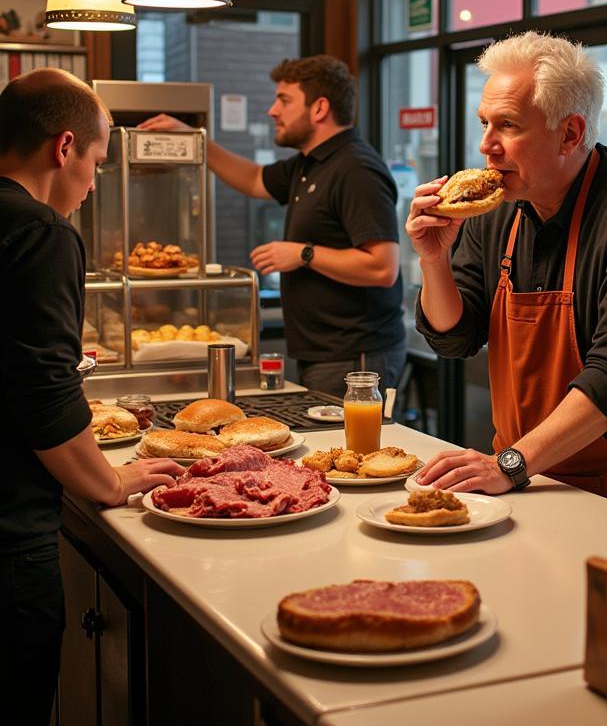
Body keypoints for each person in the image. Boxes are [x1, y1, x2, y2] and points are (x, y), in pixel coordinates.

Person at [407, 33, 607, 524]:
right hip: (527, 485)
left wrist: (510, 464)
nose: (487, 145)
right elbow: (455, 337)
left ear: (570, 134)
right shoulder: (497, 211)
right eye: (484, 123)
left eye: (507, 126)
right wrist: (433, 261)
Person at [0, 69, 183, 724]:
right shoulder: (43, 232)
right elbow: (42, 391)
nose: (93, 180)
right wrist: (109, 479)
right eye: (97, 162)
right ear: (65, 147)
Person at [141, 55, 405, 393]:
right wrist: (197, 141)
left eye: (284, 100)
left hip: (355, 355)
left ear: (319, 108)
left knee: (350, 447)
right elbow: (253, 179)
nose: (272, 111)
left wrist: (304, 254)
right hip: (324, 352)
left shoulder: (356, 170)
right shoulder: (310, 164)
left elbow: (383, 268)